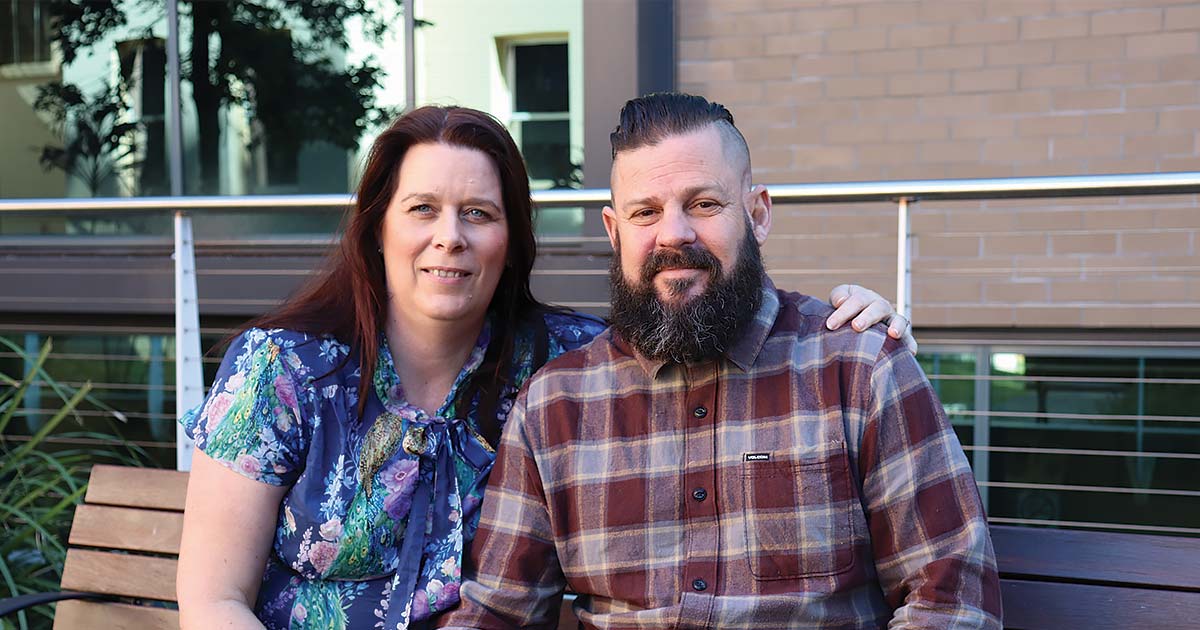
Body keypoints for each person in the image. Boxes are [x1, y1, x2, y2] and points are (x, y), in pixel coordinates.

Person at [176, 105, 913, 630]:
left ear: (511, 237)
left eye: (479, 214)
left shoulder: (565, 366)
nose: (450, 238)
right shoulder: (285, 369)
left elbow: (694, 323)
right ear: (376, 229)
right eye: (422, 209)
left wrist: (854, 316)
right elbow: (212, 599)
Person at [439, 93, 1002, 630]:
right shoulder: (554, 405)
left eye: (704, 204)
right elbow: (498, 612)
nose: (674, 234)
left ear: (757, 214)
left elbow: (950, 598)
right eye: (645, 212)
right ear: (615, 233)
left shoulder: (859, 368)